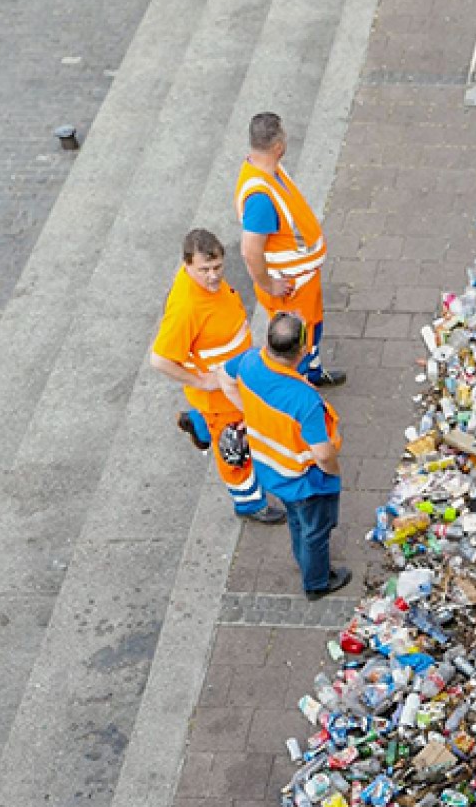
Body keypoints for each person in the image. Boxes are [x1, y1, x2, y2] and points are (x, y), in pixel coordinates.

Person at [148, 228, 286, 524]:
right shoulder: (186, 309)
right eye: (204, 270)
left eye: (218, 267)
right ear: (187, 265)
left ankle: (197, 422)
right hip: (220, 395)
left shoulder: (194, 283)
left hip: (230, 380)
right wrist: (202, 381)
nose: (213, 276)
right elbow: (159, 359)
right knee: (234, 447)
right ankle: (249, 503)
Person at [226, 311, 352, 599]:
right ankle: (317, 583)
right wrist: (333, 471)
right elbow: (322, 454)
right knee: (316, 531)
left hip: (272, 471)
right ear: (302, 350)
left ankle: (303, 559)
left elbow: (224, 376)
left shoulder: (250, 362)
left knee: (298, 522)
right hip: (306, 480)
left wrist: (248, 412)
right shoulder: (303, 400)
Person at [236, 112, 345, 387]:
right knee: (298, 343)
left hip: (302, 283)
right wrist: (269, 284)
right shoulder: (260, 197)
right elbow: (251, 251)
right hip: (290, 287)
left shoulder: (268, 171)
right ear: (277, 146)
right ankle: (302, 388)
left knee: (312, 329)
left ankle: (315, 373)